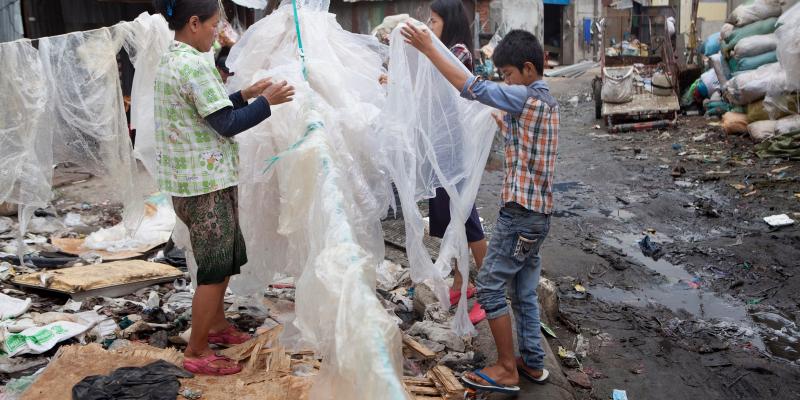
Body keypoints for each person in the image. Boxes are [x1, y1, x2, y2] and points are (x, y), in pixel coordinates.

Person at [402, 25, 559, 394]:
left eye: (507, 76)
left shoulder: (524, 98)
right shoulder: (545, 101)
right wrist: (503, 124)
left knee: (488, 287)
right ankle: (532, 364)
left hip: (519, 217)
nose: (505, 83)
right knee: (522, 290)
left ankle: (506, 367)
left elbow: (472, 87)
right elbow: (528, 145)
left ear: (529, 70)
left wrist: (428, 47)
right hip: (538, 218)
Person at [152, 0, 294, 376]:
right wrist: (267, 102)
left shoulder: (173, 59)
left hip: (196, 182)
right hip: (205, 186)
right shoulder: (193, 64)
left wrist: (246, 94)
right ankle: (197, 350)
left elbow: (210, 110)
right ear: (194, 23)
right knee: (215, 270)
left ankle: (215, 325)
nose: (219, 33)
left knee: (223, 260)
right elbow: (227, 125)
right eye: (215, 26)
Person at [426, 0, 488, 325]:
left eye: (433, 21)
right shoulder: (442, 50)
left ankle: (493, 295)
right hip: (443, 145)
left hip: (454, 146)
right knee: (453, 217)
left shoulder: (458, 51)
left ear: (447, 22)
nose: (429, 26)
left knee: (467, 218)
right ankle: (462, 284)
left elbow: (448, 86)